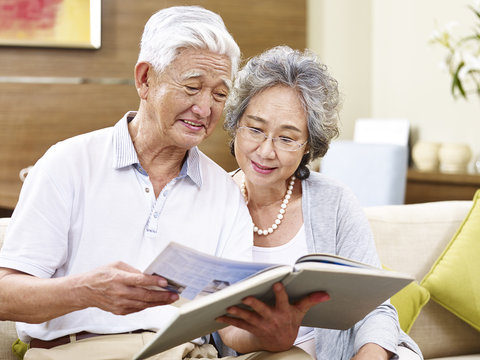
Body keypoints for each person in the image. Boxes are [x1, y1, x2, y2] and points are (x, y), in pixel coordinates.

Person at [0, 6, 259, 360]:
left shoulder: (226, 193)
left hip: (182, 353)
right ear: (145, 79)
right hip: (81, 352)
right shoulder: (68, 163)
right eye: (192, 87)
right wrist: (86, 291)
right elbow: (4, 296)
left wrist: (274, 327)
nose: (204, 108)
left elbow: (231, 326)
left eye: (218, 95)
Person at [217, 46, 423, 360]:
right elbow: (212, 328)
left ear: (308, 145)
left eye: (286, 138)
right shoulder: (211, 202)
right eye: (255, 129)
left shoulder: (334, 200)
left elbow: (375, 307)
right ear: (236, 125)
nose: (265, 151)